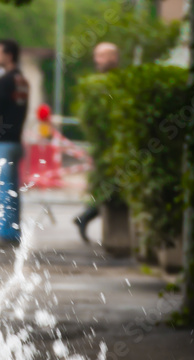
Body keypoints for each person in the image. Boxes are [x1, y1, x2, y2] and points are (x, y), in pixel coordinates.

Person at [73, 42, 120, 243]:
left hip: (116, 143)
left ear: (114, 58)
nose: (97, 60)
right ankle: (86, 216)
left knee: (112, 186)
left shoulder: (118, 82)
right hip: (104, 145)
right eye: (97, 56)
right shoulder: (95, 85)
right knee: (109, 186)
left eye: (102, 56)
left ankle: (85, 216)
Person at [0, 38, 29, 245]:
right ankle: (13, 232)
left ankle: (4, 234)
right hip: (15, 142)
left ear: (8, 55)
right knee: (12, 190)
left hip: (1, 143)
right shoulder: (22, 79)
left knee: (3, 190)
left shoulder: (4, 81)